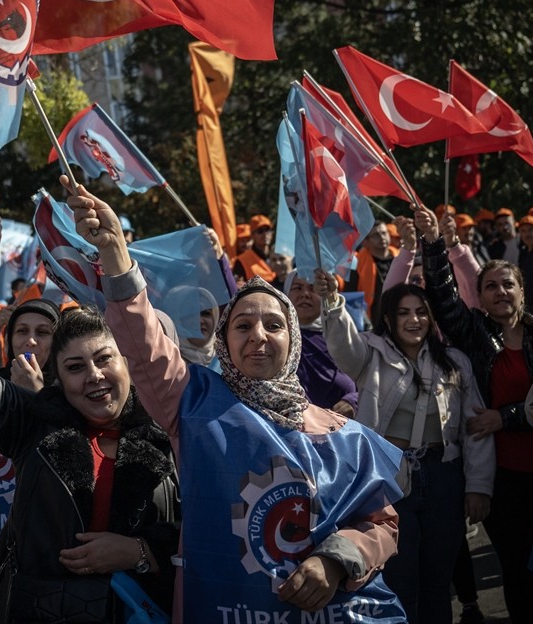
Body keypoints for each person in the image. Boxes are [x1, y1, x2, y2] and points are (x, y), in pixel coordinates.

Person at [66, 178, 405, 622]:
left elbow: (382, 524)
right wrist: (114, 255)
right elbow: (143, 342)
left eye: (273, 325)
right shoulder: (190, 403)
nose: (258, 336)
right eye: (242, 325)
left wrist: (336, 560)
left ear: (295, 340)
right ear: (223, 342)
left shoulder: (347, 435)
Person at [416, 205, 533, 623]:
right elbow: (442, 297)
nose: (500, 291)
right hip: (504, 480)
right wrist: (433, 244)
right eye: (490, 286)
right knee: (519, 574)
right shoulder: (474, 335)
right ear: (480, 296)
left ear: (522, 292)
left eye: (508, 284)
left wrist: (505, 416)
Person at [0, 306, 180, 623]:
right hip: (42, 611)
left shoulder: (174, 433)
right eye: (75, 367)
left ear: (126, 361)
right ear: (58, 380)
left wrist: (139, 551)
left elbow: (207, 536)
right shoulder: (34, 428)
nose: (94, 375)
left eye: (104, 359)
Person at [316, 277, 495, 624]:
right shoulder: (370, 353)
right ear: (388, 319)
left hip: (445, 476)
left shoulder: (454, 361)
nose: (414, 320)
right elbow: (342, 346)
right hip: (388, 478)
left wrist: (479, 486)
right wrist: (334, 305)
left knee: (438, 582)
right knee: (399, 579)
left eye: (421, 312)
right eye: (403, 313)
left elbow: (474, 429)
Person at [283, 271, 358, 417]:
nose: (305, 294)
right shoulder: (277, 339)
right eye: (297, 288)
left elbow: (370, 383)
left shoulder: (340, 335)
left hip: (343, 430)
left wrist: (352, 402)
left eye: (312, 288)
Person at [349, 220, 398, 323]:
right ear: (365, 242)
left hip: (399, 315)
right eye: (376, 235)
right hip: (373, 321)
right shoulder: (357, 264)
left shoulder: (400, 257)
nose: (382, 237)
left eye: (384, 233)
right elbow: (351, 296)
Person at [235, 214, 276, 282]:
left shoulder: (280, 254)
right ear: (252, 235)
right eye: (260, 231)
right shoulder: (242, 260)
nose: (265, 234)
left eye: (267, 230)